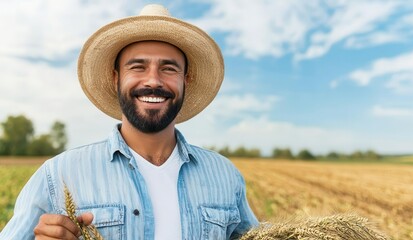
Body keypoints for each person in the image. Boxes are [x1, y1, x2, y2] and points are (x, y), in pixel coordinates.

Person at [0, 4, 258, 240]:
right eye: (137, 67)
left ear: (185, 81)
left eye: (169, 68)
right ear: (115, 78)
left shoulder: (225, 176)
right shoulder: (58, 175)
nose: (153, 81)